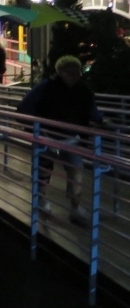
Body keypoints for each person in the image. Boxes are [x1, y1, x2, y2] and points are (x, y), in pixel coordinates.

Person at [16, 56, 104, 225]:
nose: (75, 75)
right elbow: (25, 107)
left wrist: (100, 119)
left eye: (77, 72)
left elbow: (91, 110)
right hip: (47, 136)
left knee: (75, 171)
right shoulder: (47, 87)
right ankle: (43, 201)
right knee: (45, 170)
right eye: (71, 72)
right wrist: (32, 126)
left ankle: (73, 207)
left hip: (66, 137)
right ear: (60, 72)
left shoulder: (80, 90)